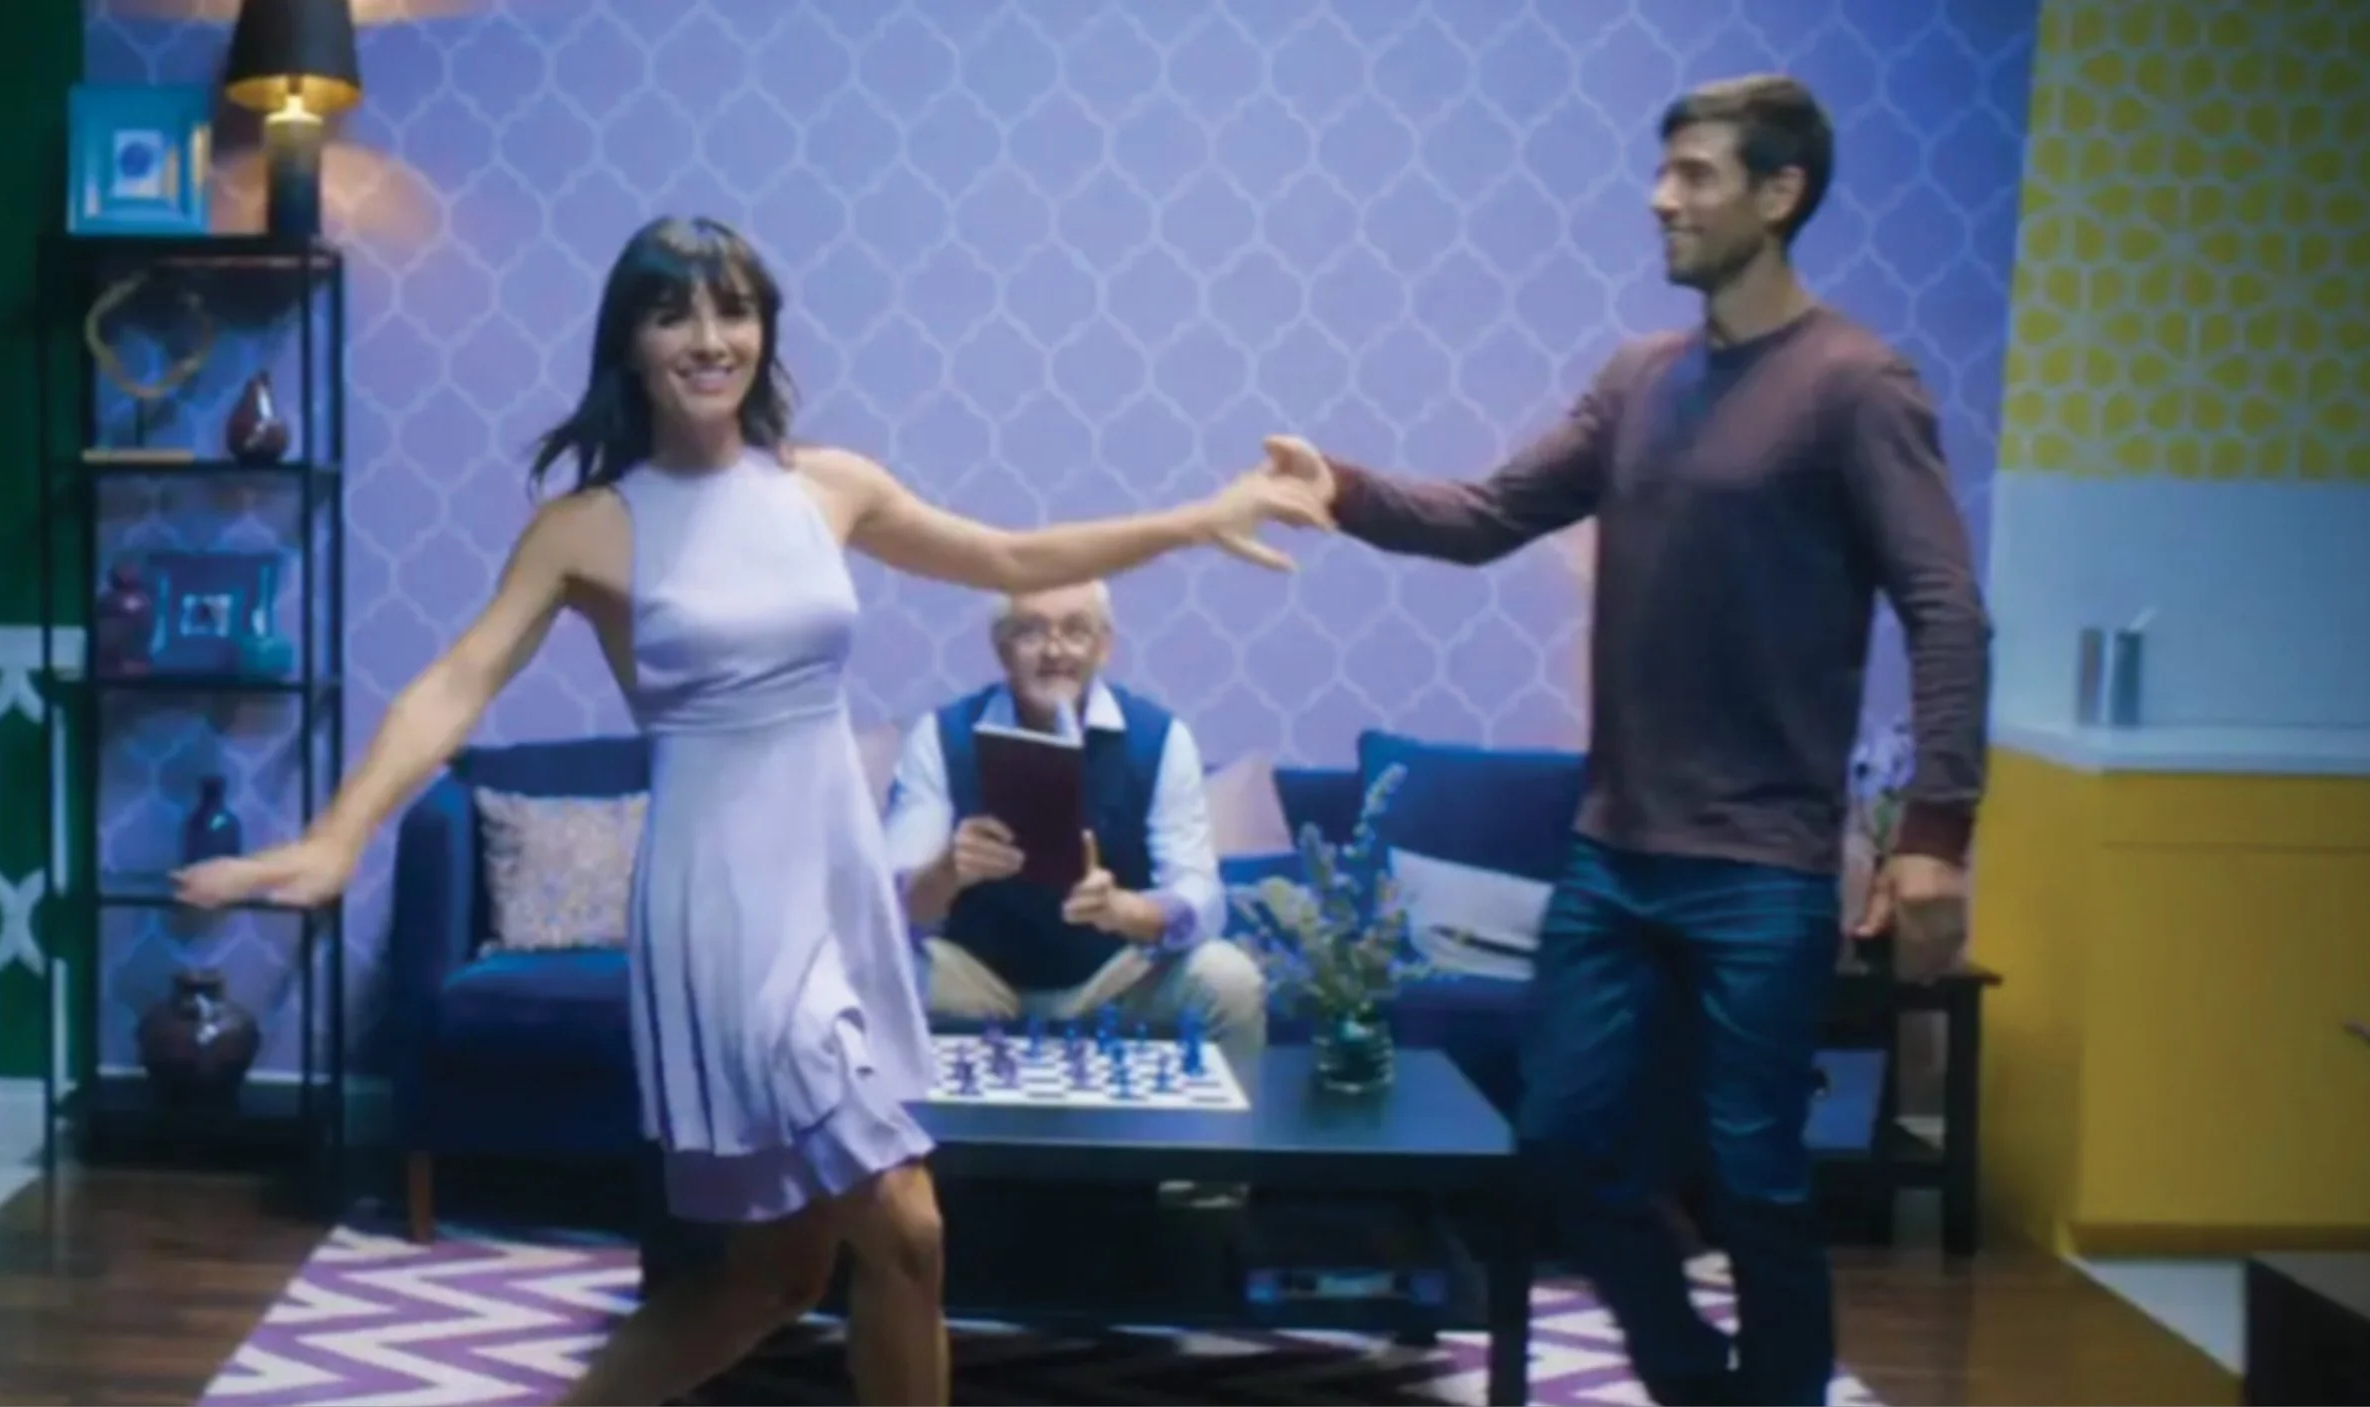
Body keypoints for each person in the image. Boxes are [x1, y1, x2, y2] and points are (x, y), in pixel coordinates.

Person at [169, 215, 1330, 1407]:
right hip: (725, 908)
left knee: (776, 1275)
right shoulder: (589, 527)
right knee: (908, 1230)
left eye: (733, 310)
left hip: (835, 892)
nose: (709, 339)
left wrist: (1195, 519)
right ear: (628, 345)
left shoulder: (827, 487)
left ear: (764, 331)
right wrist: (339, 835)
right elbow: (456, 681)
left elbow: (1011, 555)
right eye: (672, 314)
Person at [1258, 76, 1990, 1405]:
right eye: (1664, 172)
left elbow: (1945, 607)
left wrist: (1934, 833)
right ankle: (1695, 1381)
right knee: (1562, 1141)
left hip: (1761, 865)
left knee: (1756, 1174)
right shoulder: (1638, 380)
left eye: (1697, 174)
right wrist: (1344, 491)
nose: (1663, 198)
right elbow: (1487, 513)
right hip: (1615, 852)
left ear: (1780, 193)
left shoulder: (1854, 385)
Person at [884, 579, 1268, 1076]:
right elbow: (890, 907)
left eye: (1075, 631)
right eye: (1031, 632)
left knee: (1229, 981)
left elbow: (1202, 897)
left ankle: (1227, 1131)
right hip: (976, 975)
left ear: (1104, 646)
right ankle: (894, 1129)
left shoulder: (1160, 738)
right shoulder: (941, 736)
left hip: (1114, 975)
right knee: (873, 971)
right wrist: (946, 873)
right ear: (1001, 649)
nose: (1055, 651)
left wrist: (1125, 910)